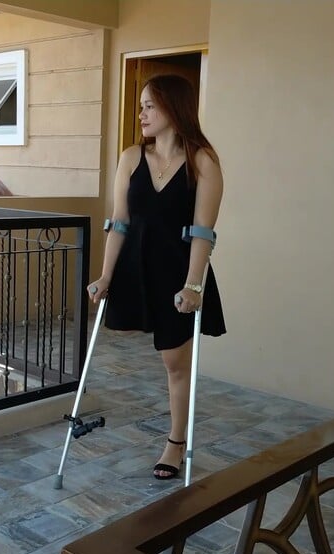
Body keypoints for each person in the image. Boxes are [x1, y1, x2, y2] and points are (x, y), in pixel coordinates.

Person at [88, 74, 226, 480]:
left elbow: (203, 231)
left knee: (174, 361)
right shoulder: (131, 157)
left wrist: (193, 285)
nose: (142, 114)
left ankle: (176, 442)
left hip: (177, 271)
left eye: (150, 105)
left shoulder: (203, 162)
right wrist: (105, 276)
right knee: (149, 347)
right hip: (135, 266)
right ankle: (175, 439)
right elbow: (120, 222)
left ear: (173, 106)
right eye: (142, 106)